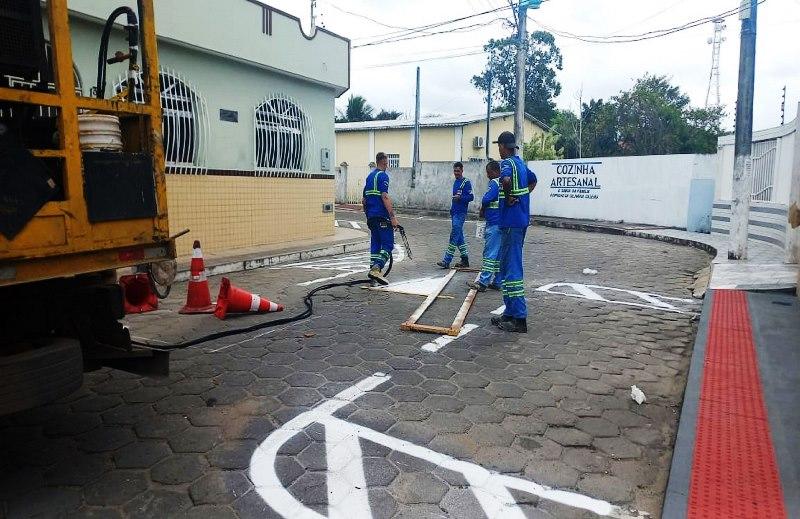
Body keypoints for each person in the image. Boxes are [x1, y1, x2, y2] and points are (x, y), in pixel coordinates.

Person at [492, 131, 536, 333]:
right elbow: (533, 181)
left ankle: (519, 318)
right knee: (506, 267)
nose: (498, 151)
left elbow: (506, 181)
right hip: (519, 221)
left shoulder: (507, 164)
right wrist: (523, 196)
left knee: (512, 269)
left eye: (498, 146)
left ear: (503, 146)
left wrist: (509, 197)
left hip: (511, 223)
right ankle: (509, 313)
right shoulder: (521, 164)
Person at [362, 152, 399, 286]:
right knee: (388, 244)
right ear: (384, 162)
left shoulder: (369, 177)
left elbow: (364, 200)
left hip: (371, 217)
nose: (387, 165)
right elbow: (385, 197)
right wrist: (393, 218)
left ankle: (373, 276)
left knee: (376, 245)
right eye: (386, 162)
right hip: (382, 216)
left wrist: (368, 217)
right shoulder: (383, 176)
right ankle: (377, 268)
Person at [467, 160, 502, 292]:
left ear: (494, 171)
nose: (487, 175)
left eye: (488, 172)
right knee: (498, 255)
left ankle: (483, 281)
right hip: (501, 223)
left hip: (493, 222)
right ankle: (497, 281)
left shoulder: (494, 183)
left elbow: (487, 199)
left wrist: (483, 207)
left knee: (489, 254)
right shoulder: (503, 183)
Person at [437, 162, 474, 269]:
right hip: (454, 213)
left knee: (454, 236)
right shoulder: (456, 182)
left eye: (458, 171)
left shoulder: (466, 182)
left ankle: (446, 260)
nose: (456, 173)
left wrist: (461, 198)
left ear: (462, 170)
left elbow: (471, 197)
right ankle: (465, 259)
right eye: (455, 171)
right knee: (459, 238)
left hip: (461, 214)